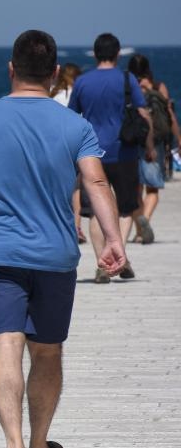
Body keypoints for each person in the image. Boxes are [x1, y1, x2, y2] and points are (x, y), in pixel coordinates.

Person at [0, 30, 126, 448]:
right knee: (46, 351)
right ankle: (41, 444)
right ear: (56, 73)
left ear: (10, 69)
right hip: (55, 256)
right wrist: (113, 238)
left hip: (0, 254)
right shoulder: (74, 126)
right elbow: (97, 184)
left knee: (5, 342)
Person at [68, 33, 154, 283]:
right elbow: (143, 114)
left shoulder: (82, 82)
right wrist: (148, 145)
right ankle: (120, 257)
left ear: (95, 54)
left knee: (94, 210)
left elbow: (72, 117)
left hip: (91, 154)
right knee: (126, 208)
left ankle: (101, 264)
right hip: (124, 151)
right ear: (118, 54)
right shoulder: (127, 79)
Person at [127, 53, 178, 243]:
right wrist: (178, 139)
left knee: (135, 189)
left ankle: (140, 230)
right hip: (155, 142)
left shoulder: (129, 86)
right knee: (153, 188)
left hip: (132, 141)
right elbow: (169, 115)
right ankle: (145, 221)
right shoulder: (158, 87)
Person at [50, 63, 86, 242]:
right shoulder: (79, 94)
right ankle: (76, 227)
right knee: (76, 189)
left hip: (52, 147)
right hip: (73, 145)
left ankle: (57, 226)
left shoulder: (52, 94)